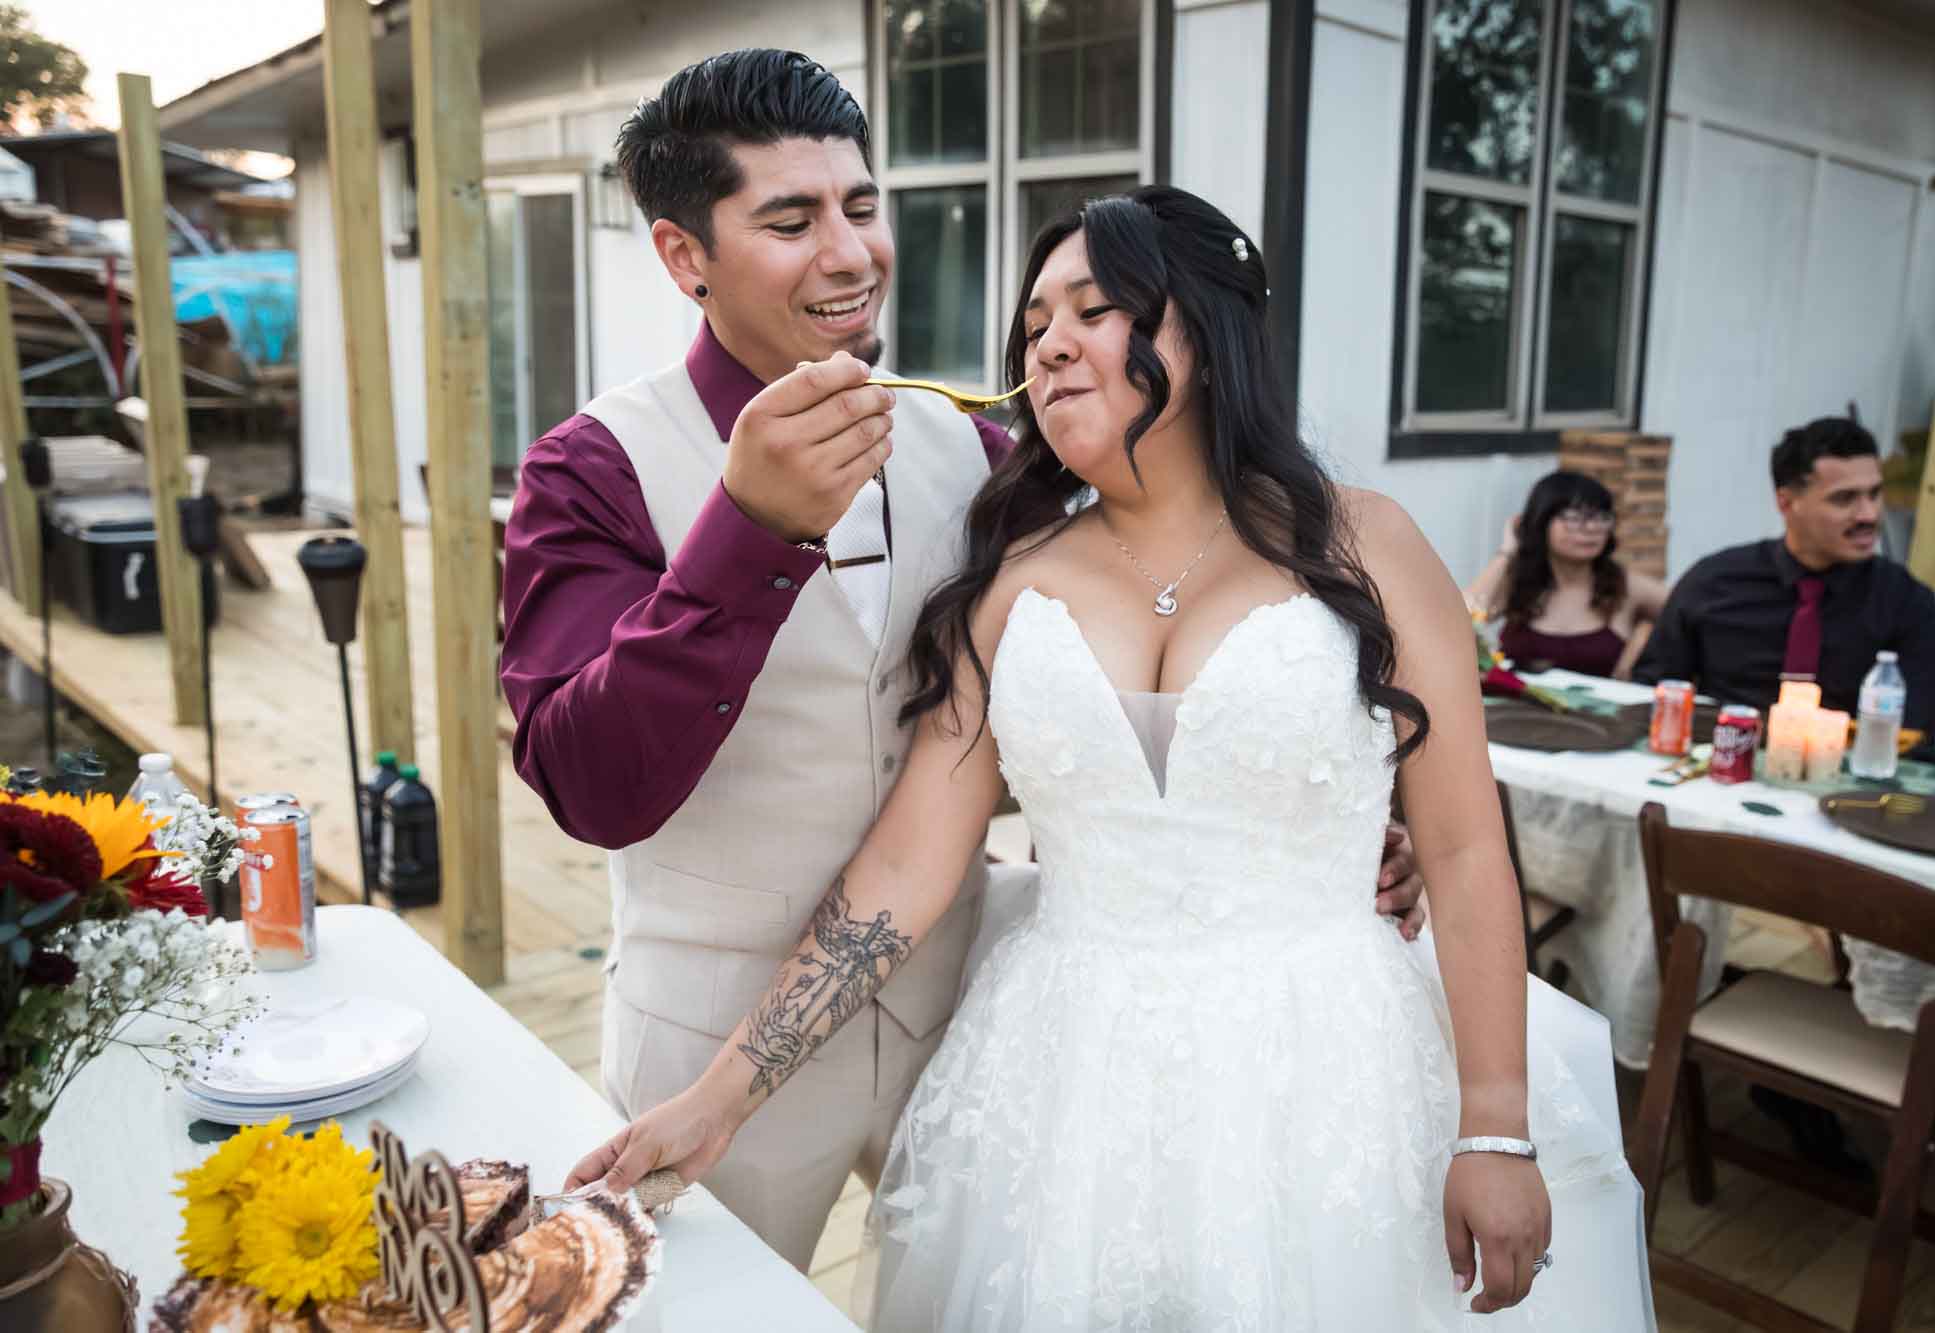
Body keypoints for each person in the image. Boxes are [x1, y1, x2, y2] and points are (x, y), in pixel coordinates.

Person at [564, 187, 1654, 1329]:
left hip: (1326, 1073)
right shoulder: (1013, 574)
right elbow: (901, 871)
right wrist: (721, 1096)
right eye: (1035, 320)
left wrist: (1491, 1121)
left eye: (1096, 308)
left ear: (1208, 330)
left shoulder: (1365, 544)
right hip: (1064, 1086)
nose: (1049, 340)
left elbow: (1466, 845)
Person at [499, 50, 1429, 1274]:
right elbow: (590, 786)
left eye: (861, 206)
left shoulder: (981, 449)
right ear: (684, 257)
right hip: (711, 1033)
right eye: (790, 219)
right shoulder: (590, 468)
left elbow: (1128, 642)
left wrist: (1280, 813)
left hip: (979, 1011)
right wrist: (748, 536)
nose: (848, 252)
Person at [1633, 416, 1935, 731]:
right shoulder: (1714, 582)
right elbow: (1652, 691)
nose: (1869, 514)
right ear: (1786, 502)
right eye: (1844, 499)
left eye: (1874, 494)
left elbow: (1913, 730)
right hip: (1720, 759)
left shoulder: (1906, 602)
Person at [1462, 470, 1668, 679]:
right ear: (1542, 521)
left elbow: (1687, 612)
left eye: (1601, 517)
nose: (1591, 528)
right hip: (1514, 709)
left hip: (1599, 710)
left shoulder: (1627, 586)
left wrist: (1643, 637)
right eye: (1575, 517)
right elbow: (1461, 620)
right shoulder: (1517, 582)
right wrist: (1507, 551)